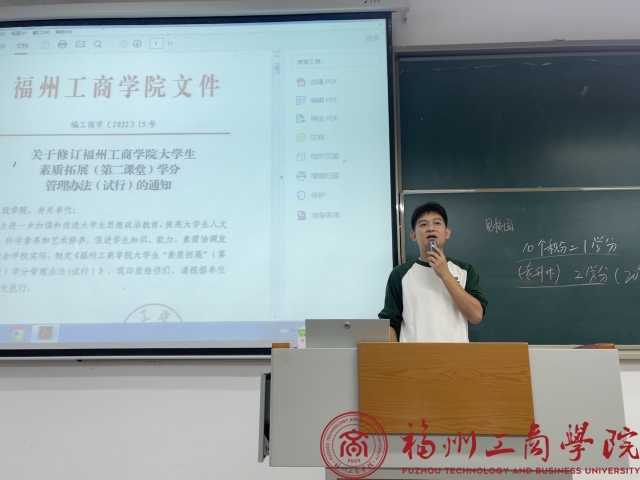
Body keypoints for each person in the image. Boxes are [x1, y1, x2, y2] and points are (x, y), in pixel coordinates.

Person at [379, 202, 487, 342]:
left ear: (447, 233)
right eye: (423, 224)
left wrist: (445, 274)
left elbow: (476, 316)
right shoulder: (400, 274)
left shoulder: (464, 270)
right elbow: (390, 323)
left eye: (437, 223)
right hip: (413, 355)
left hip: (456, 355)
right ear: (413, 236)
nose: (431, 228)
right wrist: (393, 355)